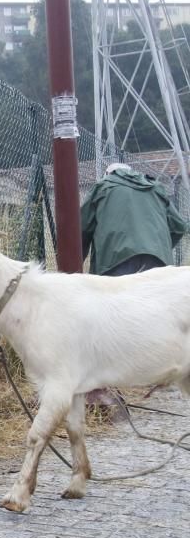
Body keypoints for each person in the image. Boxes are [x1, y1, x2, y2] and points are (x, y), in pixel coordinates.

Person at [80, 161, 188, 407]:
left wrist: (76, 264)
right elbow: (180, 226)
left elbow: (81, 228)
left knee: (115, 320)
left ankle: (116, 376)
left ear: (110, 173)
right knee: (153, 319)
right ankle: (154, 372)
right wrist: (158, 246)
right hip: (158, 262)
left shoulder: (103, 187)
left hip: (117, 260)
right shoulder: (154, 188)